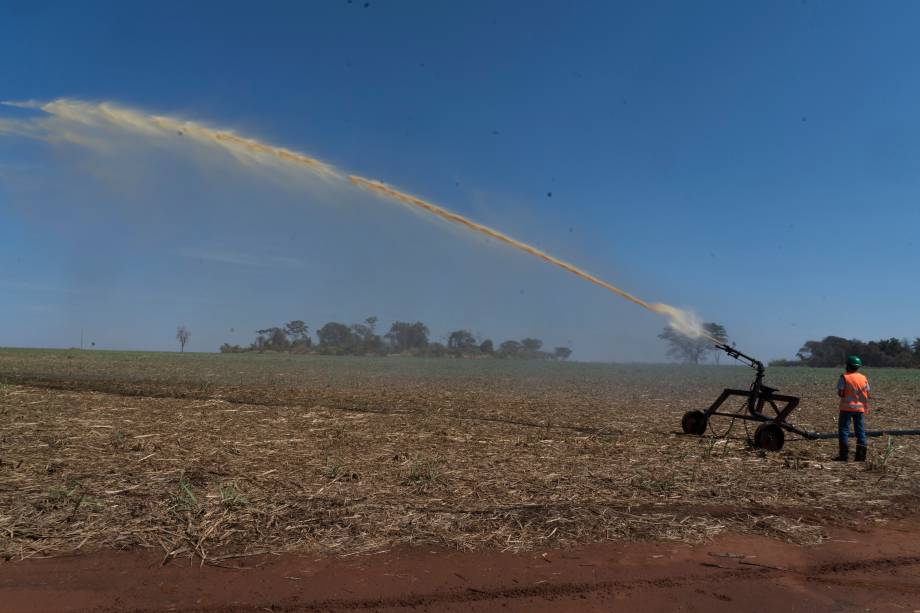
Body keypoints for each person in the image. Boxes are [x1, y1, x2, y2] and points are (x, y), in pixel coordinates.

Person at [834, 355, 870, 462]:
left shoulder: (844, 377)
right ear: (858, 367)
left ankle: (843, 456)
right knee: (860, 432)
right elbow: (867, 392)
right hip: (860, 409)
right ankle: (861, 457)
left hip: (846, 408)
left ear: (848, 366)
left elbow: (840, 393)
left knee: (844, 431)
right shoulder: (863, 378)